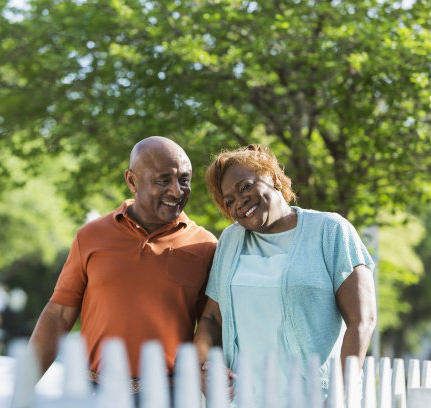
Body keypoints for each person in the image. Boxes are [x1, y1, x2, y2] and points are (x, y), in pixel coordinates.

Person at [29, 136, 217, 392]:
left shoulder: (206, 245)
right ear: (132, 181)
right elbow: (59, 313)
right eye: (163, 180)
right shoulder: (91, 236)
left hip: (170, 395)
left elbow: (211, 322)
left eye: (184, 179)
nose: (177, 191)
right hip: (93, 391)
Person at [194, 144, 376, 404]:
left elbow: (363, 319)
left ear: (273, 177)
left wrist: (340, 395)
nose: (239, 202)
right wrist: (202, 363)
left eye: (245, 186)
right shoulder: (230, 240)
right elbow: (212, 317)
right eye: (229, 201)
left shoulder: (330, 230)